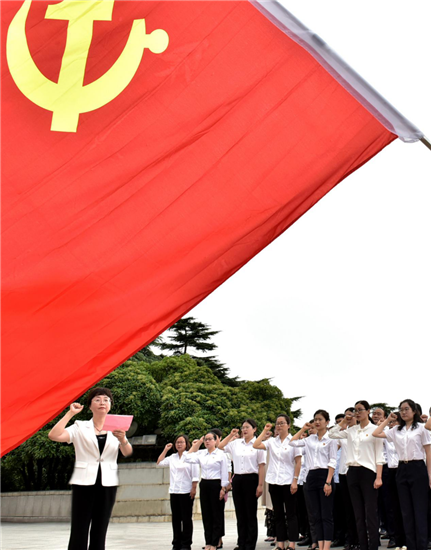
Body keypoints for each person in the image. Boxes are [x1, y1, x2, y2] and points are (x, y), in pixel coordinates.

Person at [48, 387, 133, 550]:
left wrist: (123, 440)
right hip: (83, 482)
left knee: (100, 529)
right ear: (90, 405)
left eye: (106, 400)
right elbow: (54, 435)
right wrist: (70, 414)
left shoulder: (117, 428)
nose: (102, 402)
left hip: (108, 483)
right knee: (79, 528)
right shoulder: (80, 426)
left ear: (110, 405)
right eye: (98, 399)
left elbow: (127, 452)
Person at [372, 399, 431, 550]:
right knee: (406, 511)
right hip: (401, 469)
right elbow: (376, 433)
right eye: (401, 409)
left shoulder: (421, 429)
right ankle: (411, 545)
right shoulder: (396, 430)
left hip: (418, 468)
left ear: (414, 411)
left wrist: (430, 476)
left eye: (406, 409)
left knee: (419, 510)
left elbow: (428, 453)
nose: (403, 412)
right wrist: (388, 420)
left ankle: (422, 546)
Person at [329, 401, 384, 550]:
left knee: (370, 513)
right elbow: (332, 434)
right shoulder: (351, 430)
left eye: (360, 410)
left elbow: (379, 455)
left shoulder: (375, 430)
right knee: (358, 513)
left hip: (368, 472)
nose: (357, 413)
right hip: (352, 472)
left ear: (368, 411)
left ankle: (373, 546)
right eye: (355, 410)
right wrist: (345, 421)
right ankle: (362, 545)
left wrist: (379, 477)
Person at [290, 410, 338, 550]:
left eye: (320, 419)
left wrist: (328, 482)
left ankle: (326, 546)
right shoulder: (309, 439)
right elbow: (292, 442)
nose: (317, 422)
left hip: (325, 476)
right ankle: (320, 544)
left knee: (326, 515)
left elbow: (332, 461)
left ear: (327, 422)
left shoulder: (331, 439)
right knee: (315, 514)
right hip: (310, 477)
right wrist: (303, 429)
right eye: (315, 419)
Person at [254, 415, 302, 550]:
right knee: (278, 514)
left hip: (288, 481)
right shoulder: (271, 442)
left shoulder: (293, 441)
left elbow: (298, 461)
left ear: (288, 425)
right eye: (277, 424)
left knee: (291, 514)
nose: (279, 426)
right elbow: (256, 444)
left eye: (282, 423)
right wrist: (264, 431)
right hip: (273, 481)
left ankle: (292, 543)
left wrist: (295, 481)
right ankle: (280, 543)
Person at [218, 419, 266, 550]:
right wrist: (230, 435)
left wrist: (260, 485)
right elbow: (220, 446)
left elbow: (262, 466)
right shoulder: (236, 443)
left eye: (247, 427)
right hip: (238, 479)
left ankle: (250, 544)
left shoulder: (258, 445)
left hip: (252, 479)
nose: (244, 430)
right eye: (243, 427)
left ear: (254, 429)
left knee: (250, 513)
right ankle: (241, 542)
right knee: (240, 513)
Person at [184, 432, 229, 550]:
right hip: (204, 484)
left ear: (215, 441)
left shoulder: (221, 454)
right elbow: (187, 457)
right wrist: (198, 443)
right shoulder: (201, 453)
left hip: (216, 484)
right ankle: (208, 542)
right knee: (206, 514)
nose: (207, 441)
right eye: (206, 439)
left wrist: (223, 488)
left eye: (210, 439)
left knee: (216, 514)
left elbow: (224, 472)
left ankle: (215, 542)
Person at [157, 435, 199, 550]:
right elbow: (159, 463)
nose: (179, 444)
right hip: (174, 491)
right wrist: (165, 449)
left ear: (186, 444)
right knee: (176, 519)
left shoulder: (190, 456)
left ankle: (186, 543)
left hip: (186, 491)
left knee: (186, 518)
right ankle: (176, 543)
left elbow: (195, 474)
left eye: (181, 442)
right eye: (177, 442)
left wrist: (194, 488)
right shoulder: (172, 457)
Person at [336, 408, 358, 550]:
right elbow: (331, 437)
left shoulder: (363, 432)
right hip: (344, 473)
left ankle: (361, 539)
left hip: (358, 472)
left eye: (352, 415)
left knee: (359, 509)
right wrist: (343, 423)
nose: (349, 418)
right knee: (348, 510)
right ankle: (351, 540)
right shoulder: (343, 434)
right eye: (346, 416)